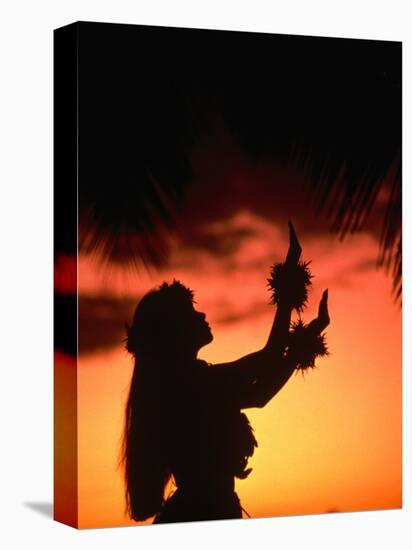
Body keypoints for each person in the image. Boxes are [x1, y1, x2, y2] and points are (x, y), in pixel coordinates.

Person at [122, 222, 330, 523]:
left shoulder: (190, 384)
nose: (202, 314)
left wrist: (310, 333)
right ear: (175, 332)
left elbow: (260, 392)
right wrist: (289, 289)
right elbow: (267, 359)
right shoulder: (194, 386)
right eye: (190, 312)